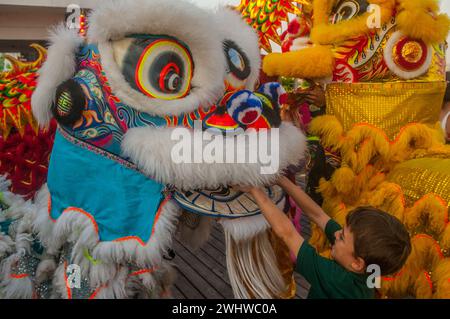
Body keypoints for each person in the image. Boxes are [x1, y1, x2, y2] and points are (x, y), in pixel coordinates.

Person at [237, 176, 412, 299]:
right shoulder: (370, 266)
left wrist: (255, 190)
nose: (336, 234)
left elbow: (287, 233)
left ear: (357, 263)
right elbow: (318, 215)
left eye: (342, 237)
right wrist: (282, 180)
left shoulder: (336, 279)